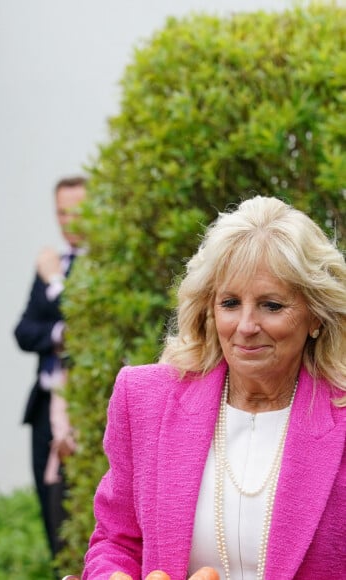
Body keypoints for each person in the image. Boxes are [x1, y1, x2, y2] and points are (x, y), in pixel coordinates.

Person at [83, 196, 345, 579]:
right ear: (210, 308)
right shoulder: (143, 399)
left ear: (315, 317)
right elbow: (116, 542)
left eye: (271, 305)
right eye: (230, 303)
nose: (246, 325)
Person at [14, 176, 87, 557]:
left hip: (87, 410)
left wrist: (55, 282)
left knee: (83, 515)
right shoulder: (53, 262)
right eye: (61, 212)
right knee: (51, 515)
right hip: (45, 406)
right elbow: (24, 331)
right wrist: (60, 333)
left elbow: (90, 323)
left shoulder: (105, 266)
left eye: (77, 211)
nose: (69, 221)